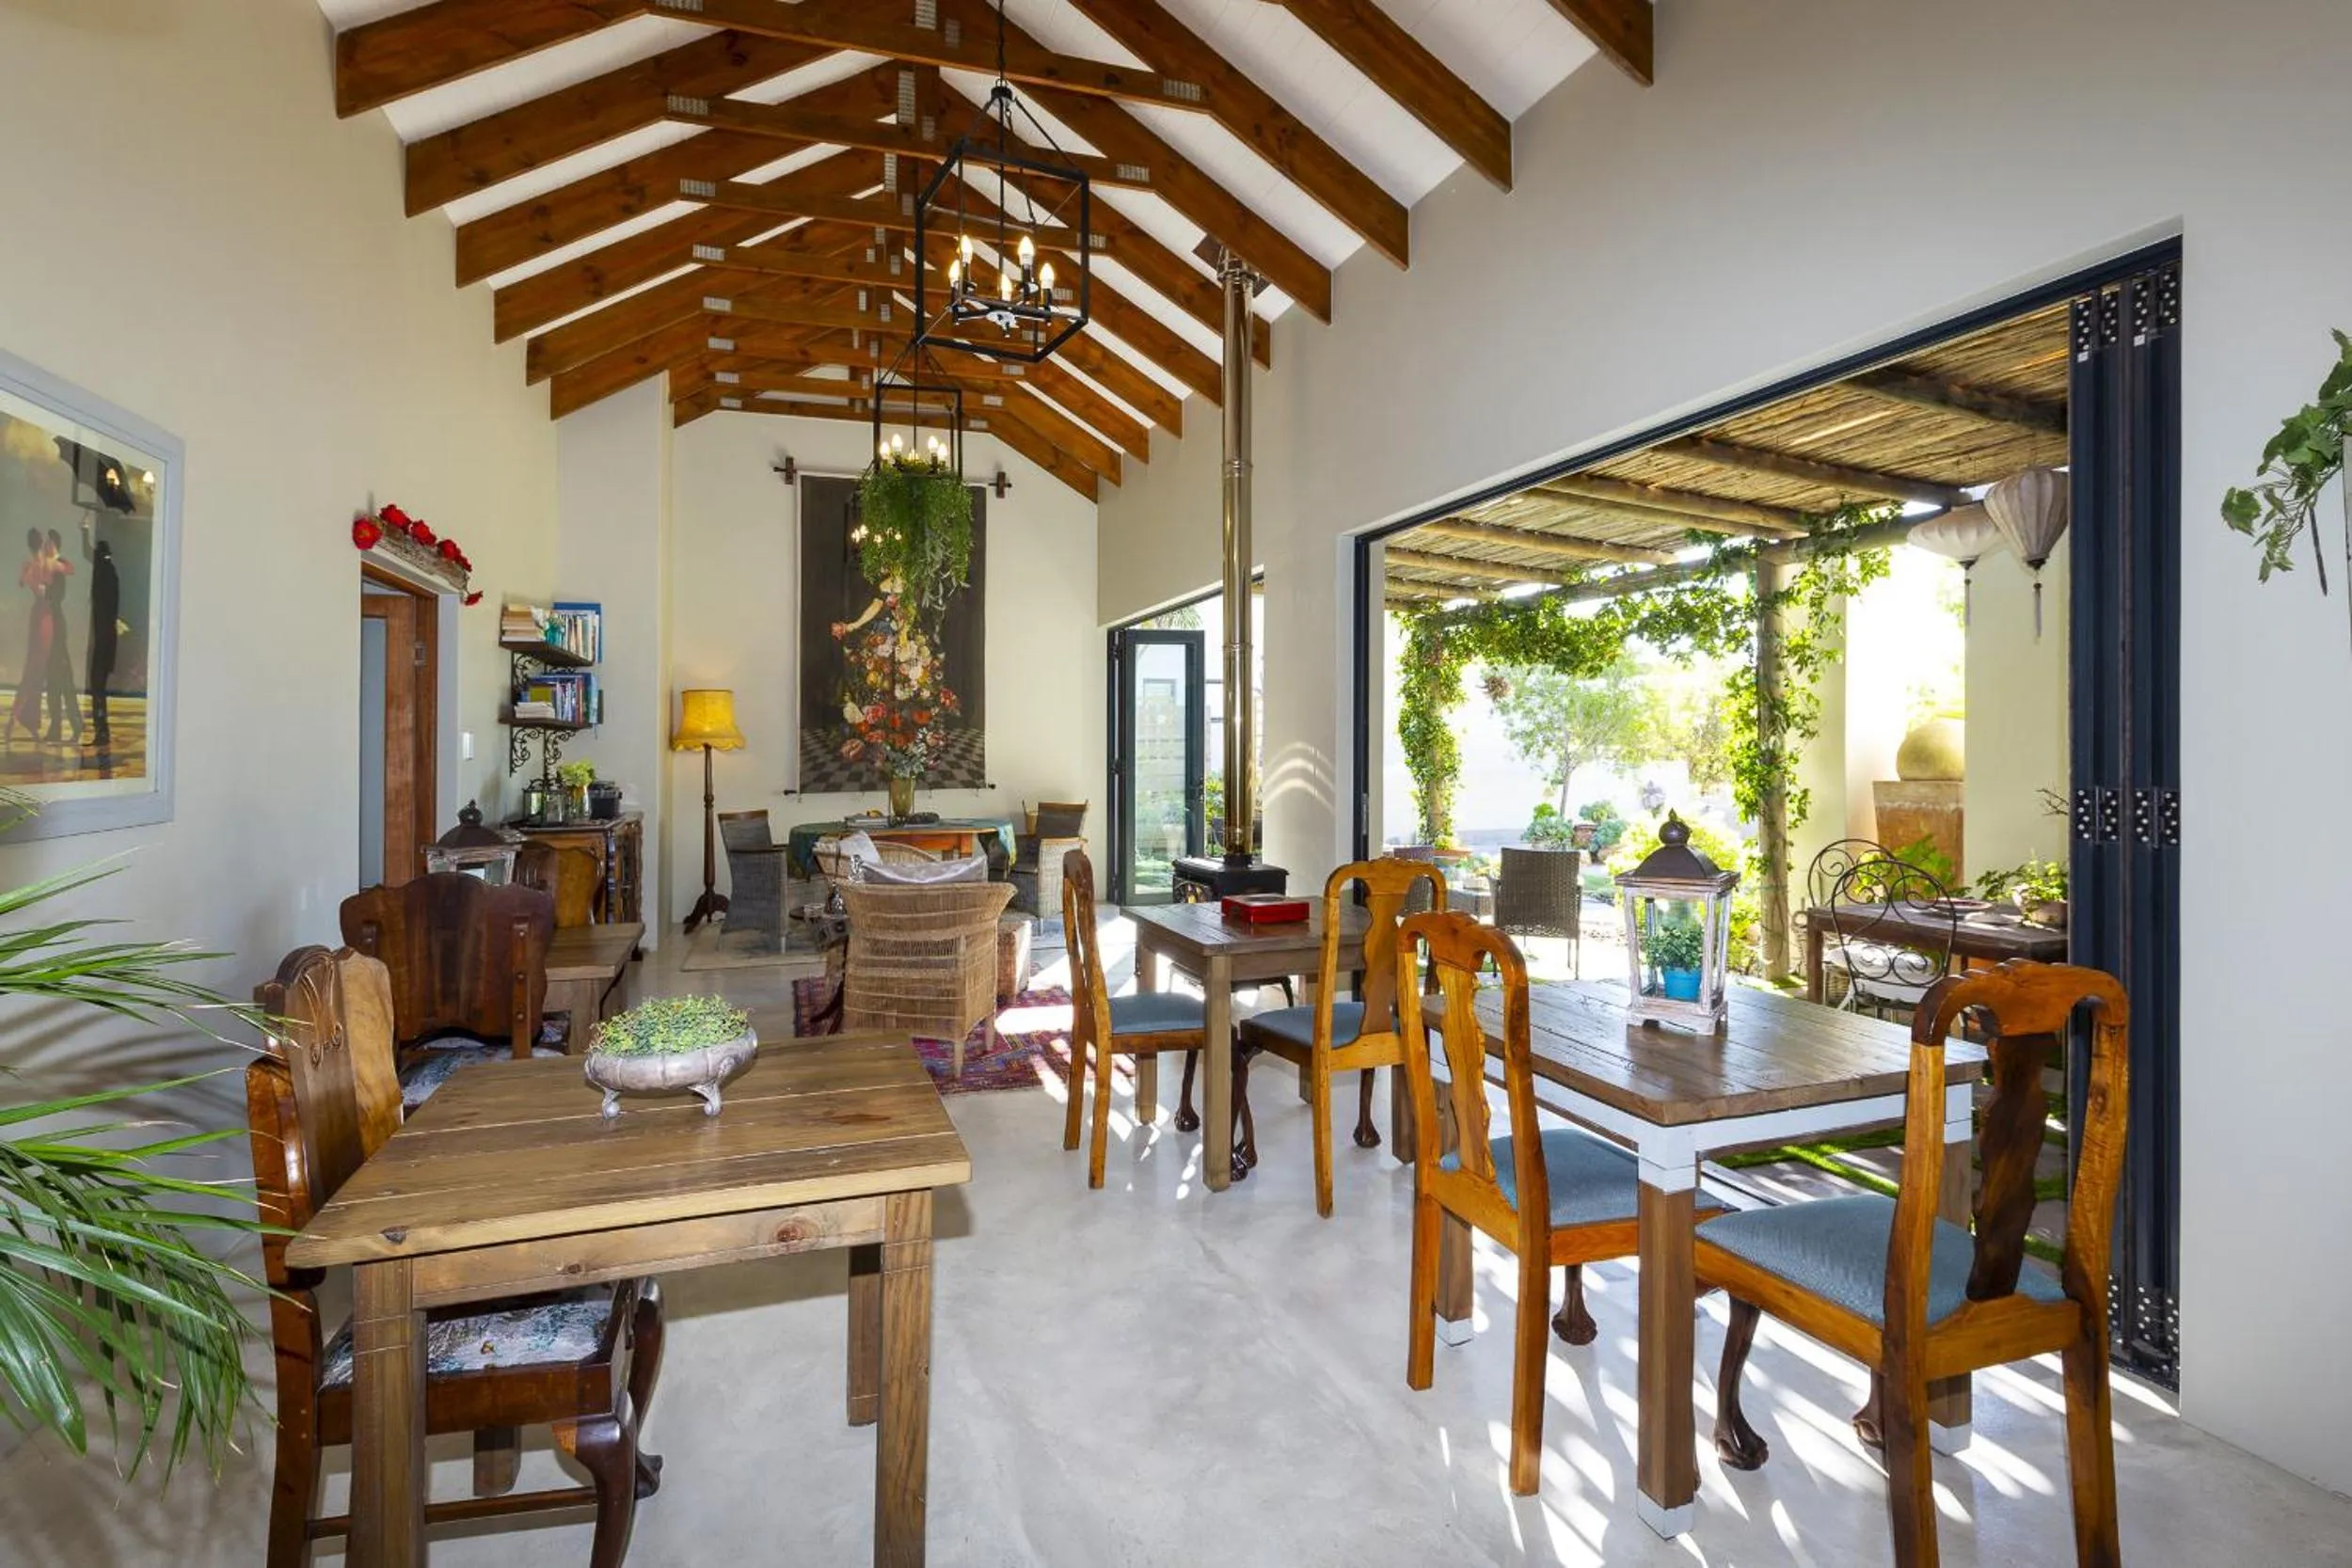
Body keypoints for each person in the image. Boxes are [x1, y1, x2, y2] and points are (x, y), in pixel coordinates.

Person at [9, 528, 57, 745]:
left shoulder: (28, 565)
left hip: (37, 615)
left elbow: (24, 582)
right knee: (36, 670)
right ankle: (19, 720)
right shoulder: (46, 563)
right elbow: (60, 573)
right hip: (44, 616)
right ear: (41, 543)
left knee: (34, 669)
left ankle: (21, 720)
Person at [40, 530, 79, 745]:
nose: (45, 544)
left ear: (54, 542)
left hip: (56, 624)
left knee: (64, 679)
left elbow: (58, 595)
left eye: (47, 541)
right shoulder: (49, 565)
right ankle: (55, 729)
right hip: (49, 624)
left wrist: (45, 592)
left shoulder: (60, 564)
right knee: (53, 680)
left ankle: (75, 725)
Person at [83, 518, 118, 748]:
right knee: (99, 686)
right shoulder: (112, 575)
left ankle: (101, 731)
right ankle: (102, 730)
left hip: (103, 639)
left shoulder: (103, 574)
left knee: (97, 687)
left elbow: (87, 553)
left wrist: (84, 531)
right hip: (108, 639)